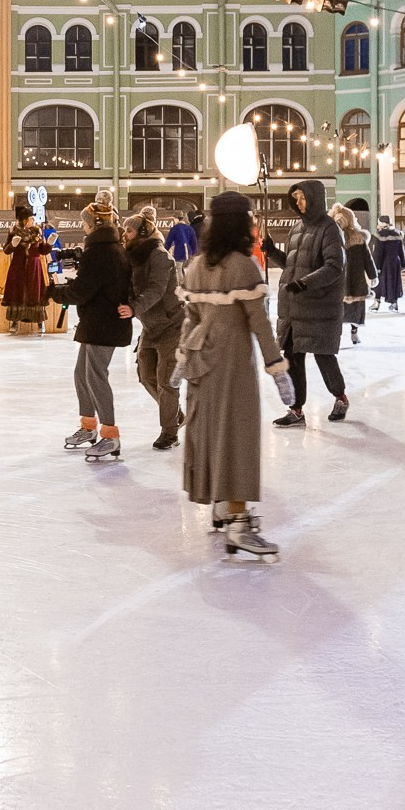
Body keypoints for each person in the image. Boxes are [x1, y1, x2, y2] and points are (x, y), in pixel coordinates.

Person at [177, 192, 295, 557]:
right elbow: (260, 323)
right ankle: (239, 522)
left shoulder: (197, 265)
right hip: (231, 364)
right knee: (238, 437)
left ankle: (221, 505)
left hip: (200, 362)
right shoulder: (244, 266)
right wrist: (277, 368)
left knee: (211, 433)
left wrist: (182, 359)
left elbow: (190, 318)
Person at [50, 202, 133, 462]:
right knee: (81, 374)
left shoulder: (101, 252)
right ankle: (88, 426)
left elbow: (83, 291)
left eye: (84, 222)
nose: (83, 226)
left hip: (104, 323)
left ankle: (110, 434)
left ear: (92, 225)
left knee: (95, 376)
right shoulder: (108, 248)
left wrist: (56, 292)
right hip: (95, 321)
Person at [272, 179, 349, 426]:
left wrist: (305, 283)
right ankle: (296, 410)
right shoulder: (296, 228)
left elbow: (334, 267)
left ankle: (340, 397)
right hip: (294, 307)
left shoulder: (330, 229)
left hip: (318, 306)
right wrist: (272, 252)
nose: (299, 203)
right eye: (296, 198)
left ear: (315, 198)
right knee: (292, 358)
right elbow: (292, 265)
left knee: (323, 356)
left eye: (303, 198)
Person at [125, 211, 184, 450]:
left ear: (142, 232)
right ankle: (175, 415)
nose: (125, 234)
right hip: (150, 326)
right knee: (145, 375)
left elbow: (156, 290)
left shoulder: (160, 256)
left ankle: (169, 433)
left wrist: (133, 307)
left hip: (172, 325)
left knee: (166, 381)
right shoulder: (133, 256)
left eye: (129, 230)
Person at [1, 203, 51, 335]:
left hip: (34, 266)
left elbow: (42, 250)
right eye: (31, 218)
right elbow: (6, 250)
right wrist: (13, 245)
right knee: (17, 292)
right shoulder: (13, 231)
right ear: (24, 220)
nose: (33, 221)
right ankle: (14, 321)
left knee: (35, 292)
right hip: (18, 266)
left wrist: (49, 244)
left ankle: (40, 322)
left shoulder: (37, 232)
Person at [333, 204, 373, 344]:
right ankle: (348, 333)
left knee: (347, 308)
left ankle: (351, 333)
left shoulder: (355, 238)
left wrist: (373, 275)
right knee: (345, 309)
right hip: (349, 280)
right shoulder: (334, 237)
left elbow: (367, 259)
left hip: (347, 280)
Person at [372, 217, 405, 310]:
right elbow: (401, 250)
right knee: (394, 282)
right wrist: (403, 263)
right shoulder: (398, 234)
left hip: (384, 262)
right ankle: (394, 303)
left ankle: (376, 303)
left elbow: (378, 252)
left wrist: (376, 266)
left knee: (379, 282)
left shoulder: (380, 235)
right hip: (395, 262)